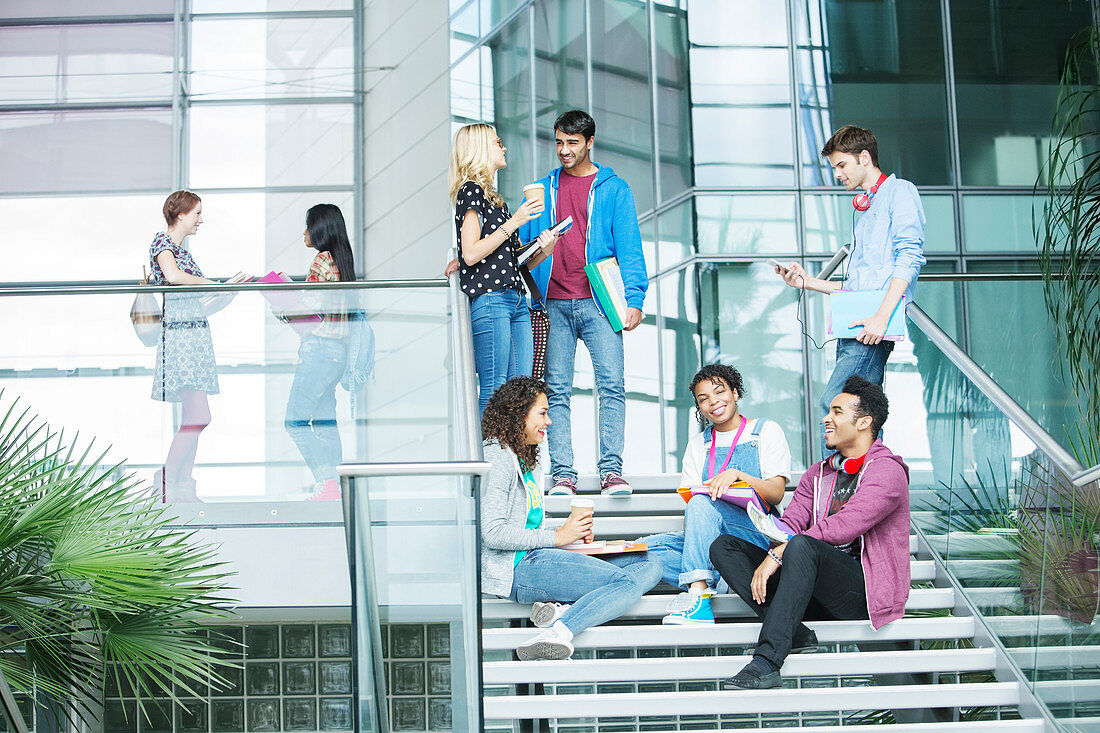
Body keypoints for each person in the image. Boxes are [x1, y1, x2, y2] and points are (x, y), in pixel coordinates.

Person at [710, 376, 911, 690]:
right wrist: (777, 547)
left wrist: (780, 551)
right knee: (725, 546)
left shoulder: (887, 471)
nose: (826, 419)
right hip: (808, 586)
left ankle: (767, 662)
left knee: (802, 545)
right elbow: (789, 524)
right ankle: (797, 631)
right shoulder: (818, 473)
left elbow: (848, 524)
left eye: (837, 412)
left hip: (861, 593)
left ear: (864, 422)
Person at [480, 377, 663, 661]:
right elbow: (492, 533)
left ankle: (563, 610)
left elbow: (529, 527)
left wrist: (571, 531)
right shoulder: (498, 457)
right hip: (519, 569)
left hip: (537, 555)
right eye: (542, 412)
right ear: (518, 414)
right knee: (626, 584)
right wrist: (558, 537)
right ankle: (559, 631)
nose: (549, 421)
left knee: (650, 565)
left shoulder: (524, 460)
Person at [517, 110, 648, 497]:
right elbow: (519, 247)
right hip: (553, 302)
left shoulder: (614, 189)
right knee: (555, 390)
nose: (564, 150)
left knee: (612, 386)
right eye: (559, 142)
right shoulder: (541, 189)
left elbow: (630, 247)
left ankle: (611, 472)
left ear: (590, 142)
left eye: (572, 143)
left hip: (599, 302)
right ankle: (562, 474)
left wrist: (636, 298)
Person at [775, 125, 925, 460]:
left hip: (872, 326)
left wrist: (881, 318)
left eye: (842, 166)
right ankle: (866, 486)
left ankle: (842, 488)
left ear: (865, 158)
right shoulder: (864, 209)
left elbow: (910, 256)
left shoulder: (899, 193)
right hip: (857, 324)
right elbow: (857, 285)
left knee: (837, 404)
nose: (838, 174)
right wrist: (807, 282)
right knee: (862, 413)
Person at [638, 364, 791, 625]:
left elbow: (776, 494)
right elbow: (694, 513)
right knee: (643, 551)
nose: (713, 402)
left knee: (700, 499)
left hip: (754, 536)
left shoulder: (765, 431)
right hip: (710, 539)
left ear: (735, 393)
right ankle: (718, 580)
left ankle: (697, 595)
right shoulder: (698, 445)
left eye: (719, 392)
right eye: (703, 398)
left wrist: (738, 475)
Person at [447, 123, 549, 414]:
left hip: (516, 299)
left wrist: (545, 248)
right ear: (479, 149)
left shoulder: (496, 200)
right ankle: (489, 457)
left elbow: (512, 259)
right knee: (494, 389)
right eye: (497, 142)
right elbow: (470, 253)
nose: (503, 147)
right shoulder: (470, 192)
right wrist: (515, 222)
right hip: (491, 299)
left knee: (519, 393)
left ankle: (512, 459)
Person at [149, 190, 220, 502]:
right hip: (181, 337)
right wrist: (212, 284)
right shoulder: (162, 243)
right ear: (180, 214)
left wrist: (226, 291)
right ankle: (167, 480)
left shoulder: (183, 252)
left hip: (194, 333)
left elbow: (198, 301)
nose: (200, 220)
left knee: (194, 414)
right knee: (198, 415)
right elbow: (173, 276)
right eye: (197, 213)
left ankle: (181, 485)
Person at [284, 203, 355, 502]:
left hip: (318, 350)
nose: (304, 232)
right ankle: (335, 488)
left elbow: (309, 311)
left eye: (308, 225)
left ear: (320, 229)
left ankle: (326, 481)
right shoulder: (342, 261)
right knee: (326, 422)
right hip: (338, 353)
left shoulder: (321, 261)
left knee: (295, 421)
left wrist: (283, 302)